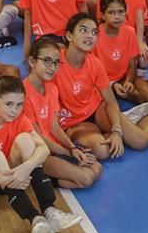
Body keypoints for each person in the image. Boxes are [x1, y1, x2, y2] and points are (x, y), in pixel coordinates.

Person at [0, 76, 82, 233]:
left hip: (12, 176)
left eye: (19, 105)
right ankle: (34, 218)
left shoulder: (19, 119)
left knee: (26, 140)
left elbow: (44, 149)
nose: (14, 111)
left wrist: (24, 169)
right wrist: (8, 178)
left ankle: (49, 210)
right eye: (9, 104)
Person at [56, 14, 148, 159]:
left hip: (96, 110)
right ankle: (120, 125)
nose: (90, 36)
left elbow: (110, 101)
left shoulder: (95, 63)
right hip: (73, 123)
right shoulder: (54, 64)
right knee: (103, 150)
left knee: (141, 141)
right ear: (69, 36)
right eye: (83, 30)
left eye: (94, 32)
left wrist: (117, 131)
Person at [24, 36, 104, 189]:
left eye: (56, 62)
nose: (52, 67)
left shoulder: (52, 89)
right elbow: (38, 137)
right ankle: (41, 177)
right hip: (41, 152)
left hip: (55, 146)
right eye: (46, 61)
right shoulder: (23, 93)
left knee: (97, 170)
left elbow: (54, 127)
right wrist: (67, 152)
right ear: (32, 62)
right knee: (86, 179)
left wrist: (73, 147)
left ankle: (54, 175)